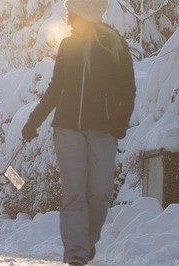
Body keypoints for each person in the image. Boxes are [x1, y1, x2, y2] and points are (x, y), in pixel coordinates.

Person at [21, 0, 136, 265]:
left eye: (71, 10)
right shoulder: (68, 45)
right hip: (67, 127)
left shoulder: (114, 43)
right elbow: (56, 87)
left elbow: (127, 88)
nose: (67, 14)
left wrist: (121, 120)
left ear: (83, 11)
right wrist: (33, 121)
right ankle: (75, 252)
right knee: (74, 192)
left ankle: (86, 242)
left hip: (104, 129)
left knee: (99, 193)